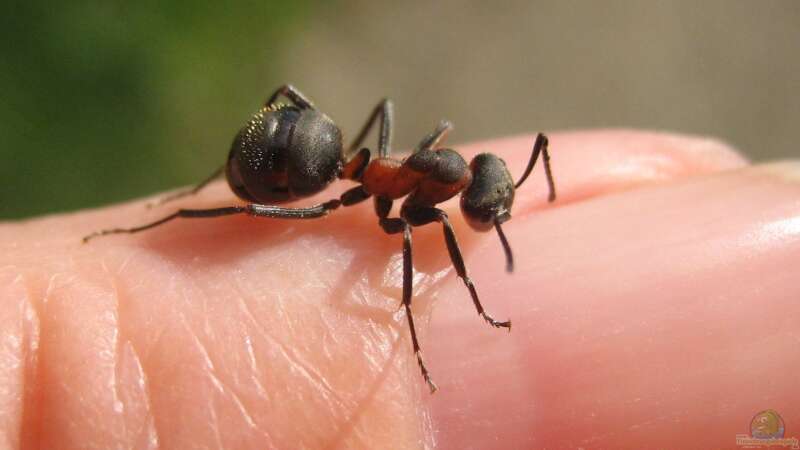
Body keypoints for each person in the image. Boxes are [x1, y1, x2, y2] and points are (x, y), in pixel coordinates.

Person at [1, 130, 797, 449]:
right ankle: (158, 221)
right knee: (267, 207)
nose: (486, 211)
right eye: (491, 201)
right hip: (297, 158)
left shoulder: (427, 171)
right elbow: (432, 224)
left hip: (321, 146)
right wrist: (447, 324)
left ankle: (181, 205)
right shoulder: (418, 199)